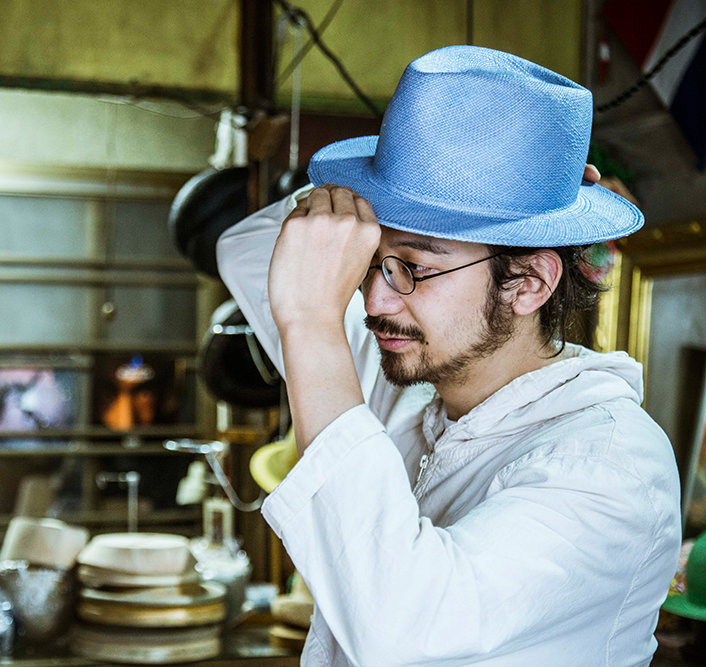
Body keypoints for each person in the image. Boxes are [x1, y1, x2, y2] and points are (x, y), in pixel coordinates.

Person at [217, 45, 681, 666]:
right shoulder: (409, 384)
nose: (377, 298)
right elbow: (245, 247)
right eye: (369, 262)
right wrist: (367, 191)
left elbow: (398, 631)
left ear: (529, 283)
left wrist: (311, 321)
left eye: (413, 266)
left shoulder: (606, 467)